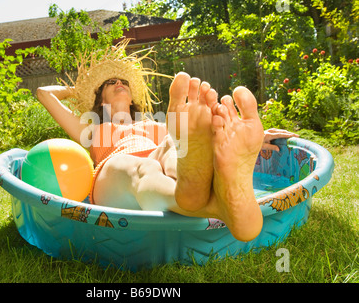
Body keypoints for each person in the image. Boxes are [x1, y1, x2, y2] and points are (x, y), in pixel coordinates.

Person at [36, 42, 298, 242]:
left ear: (131, 98)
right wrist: (80, 91)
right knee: (145, 168)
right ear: (101, 98)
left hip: (163, 170)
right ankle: (206, 195)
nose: (119, 83)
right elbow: (43, 94)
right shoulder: (92, 127)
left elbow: (195, 138)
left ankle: (209, 199)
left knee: (176, 145)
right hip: (114, 175)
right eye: (111, 82)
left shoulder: (157, 124)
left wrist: (253, 138)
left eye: (123, 82)